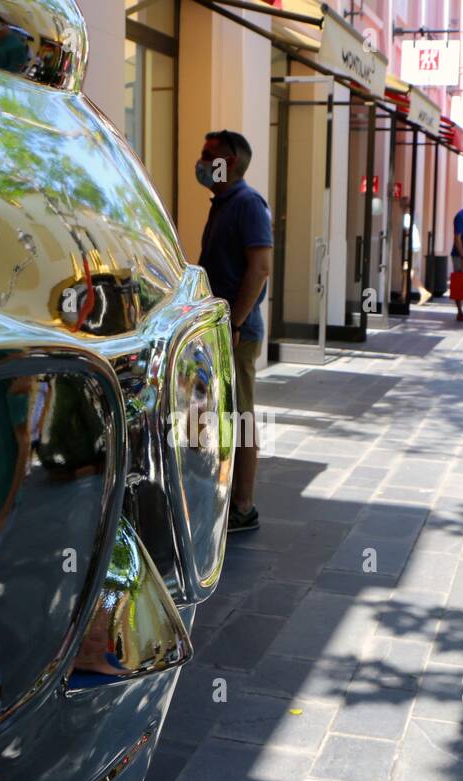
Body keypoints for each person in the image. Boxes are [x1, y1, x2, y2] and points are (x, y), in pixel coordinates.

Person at [195, 130, 272, 534]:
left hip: (237, 333)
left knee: (241, 417)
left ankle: (243, 507)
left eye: (210, 155)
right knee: (218, 415)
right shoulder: (223, 204)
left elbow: (260, 269)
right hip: (221, 330)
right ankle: (221, 497)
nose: (202, 161)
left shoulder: (247, 204)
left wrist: (236, 323)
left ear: (230, 163)